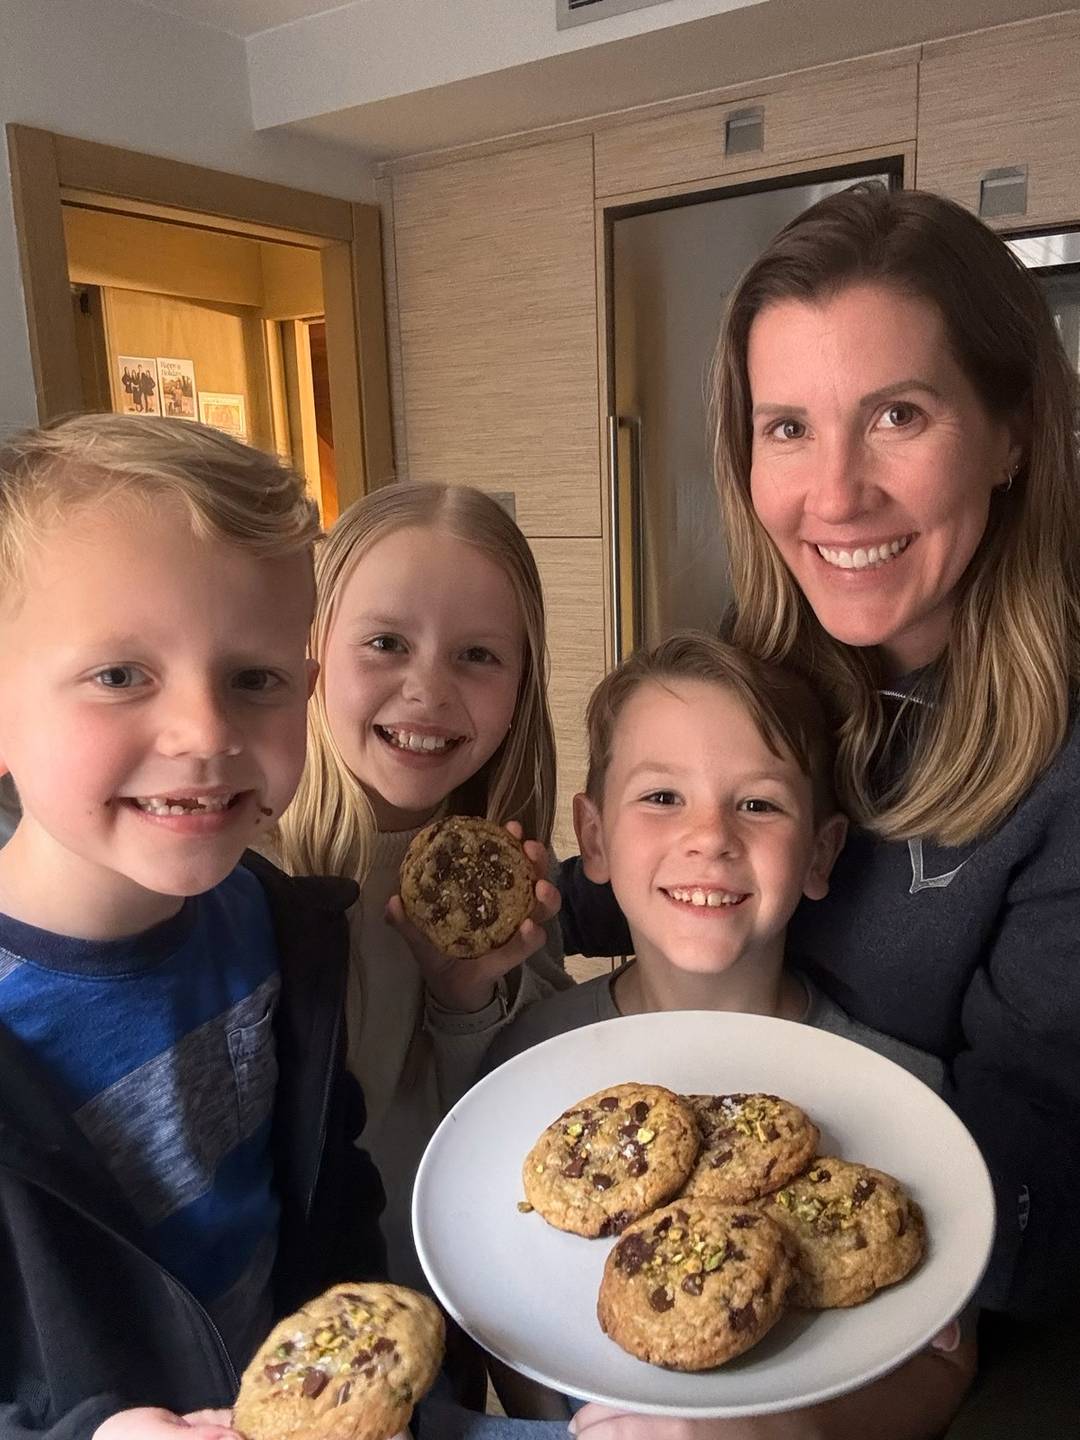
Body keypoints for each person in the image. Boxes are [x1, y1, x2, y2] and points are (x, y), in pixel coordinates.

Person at [558, 184, 1080, 1435]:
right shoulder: (763, 659)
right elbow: (683, 869)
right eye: (788, 427)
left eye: (898, 415)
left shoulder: (1065, 760)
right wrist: (540, 904)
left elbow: (1043, 1186)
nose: (835, 496)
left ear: (1012, 433)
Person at [0, 414, 384, 1440]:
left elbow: (332, 1193)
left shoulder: (280, 929)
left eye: (255, 678)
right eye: (120, 675)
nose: (207, 733)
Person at [483, 633, 967, 1439]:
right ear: (594, 838)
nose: (710, 836)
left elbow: (948, 1361)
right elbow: (499, 1304)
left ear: (820, 853)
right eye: (662, 796)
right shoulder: (523, 1064)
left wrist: (793, 1432)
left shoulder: (903, 1092)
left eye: (759, 804)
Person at [275, 482, 569, 1291]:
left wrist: (464, 1002)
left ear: (521, 686)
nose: (428, 691)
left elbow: (527, 1151)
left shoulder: (516, 898)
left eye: (477, 656)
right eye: (385, 643)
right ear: (312, 653)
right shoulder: (245, 880)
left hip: (459, 1293)